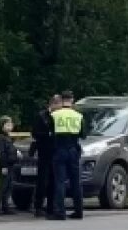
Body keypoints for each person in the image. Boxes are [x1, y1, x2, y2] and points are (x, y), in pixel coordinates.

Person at [50, 90, 88, 221]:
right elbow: (83, 134)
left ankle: (60, 212)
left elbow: (51, 132)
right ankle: (79, 211)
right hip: (73, 149)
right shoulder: (78, 116)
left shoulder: (54, 115)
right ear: (72, 100)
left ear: (62, 99)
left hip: (60, 149)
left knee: (60, 181)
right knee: (76, 181)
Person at [28, 94, 61, 217]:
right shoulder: (42, 116)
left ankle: (51, 206)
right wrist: (47, 134)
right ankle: (38, 206)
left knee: (54, 180)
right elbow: (35, 132)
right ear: (52, 104)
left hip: (56, 152)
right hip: (44, 151)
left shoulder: (59, 116)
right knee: (42, 180)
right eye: (57, 106)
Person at [0, 116, 21, 215]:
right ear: (2, 125)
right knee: (2, 186)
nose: (10, 126)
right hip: (4, 165)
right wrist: (3, 166)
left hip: (10, 164)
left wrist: (16, 153)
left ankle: (5, 206)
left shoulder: (7, 137)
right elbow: (0, 153)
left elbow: (10, 149)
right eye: (7, 124)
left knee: (8, 186)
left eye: (11, 124)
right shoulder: (0, 138)